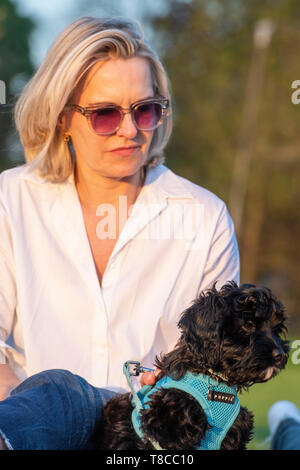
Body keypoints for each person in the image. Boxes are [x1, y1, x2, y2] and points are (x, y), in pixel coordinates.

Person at [0, 16, 239, 449]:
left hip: (147, 436)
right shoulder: (10, 201)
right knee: (58, 395)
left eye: (145, 109)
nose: (130, 130)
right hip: (33, 427)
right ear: (61, 118)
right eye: (105, 114)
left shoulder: (205, 218)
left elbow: (215, 368)